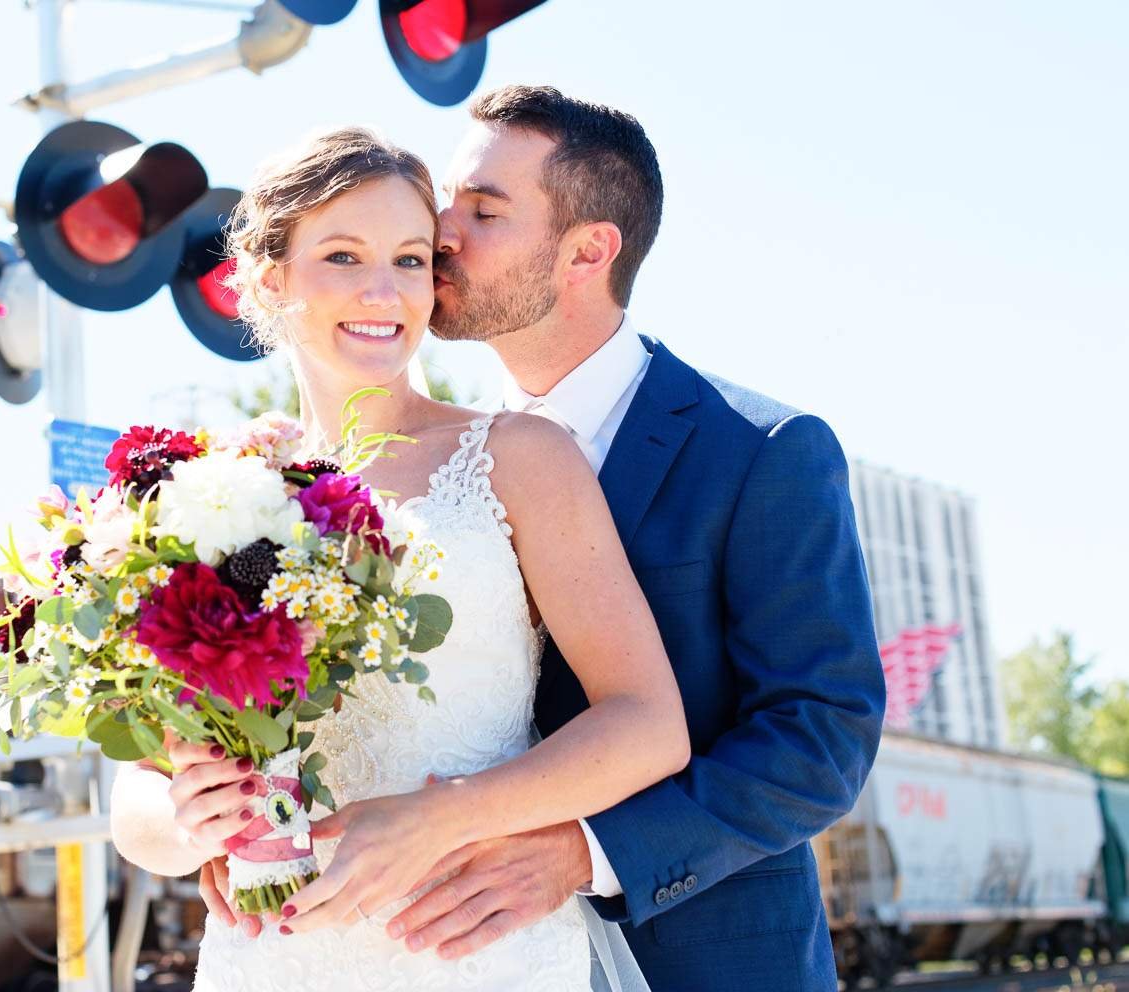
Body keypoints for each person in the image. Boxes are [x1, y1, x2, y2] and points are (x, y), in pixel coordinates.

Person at [109, 126, 686, 991]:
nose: (384, 290)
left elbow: (648, 725)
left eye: (411, 260)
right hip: (278, 956)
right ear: (269, 278)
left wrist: (439, 819)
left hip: (475, 948)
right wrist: (187, 821)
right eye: (343, 256)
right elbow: (135, 803)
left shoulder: (523, 456)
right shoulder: (207, 490)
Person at [377, 85, 886, 992]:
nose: (442, 230)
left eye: (484, 209)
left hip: (708, 960)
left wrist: (588, 852)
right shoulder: (436, 470)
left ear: (588, 251)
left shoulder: (762, 452)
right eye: (449, 200)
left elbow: (821, 737)